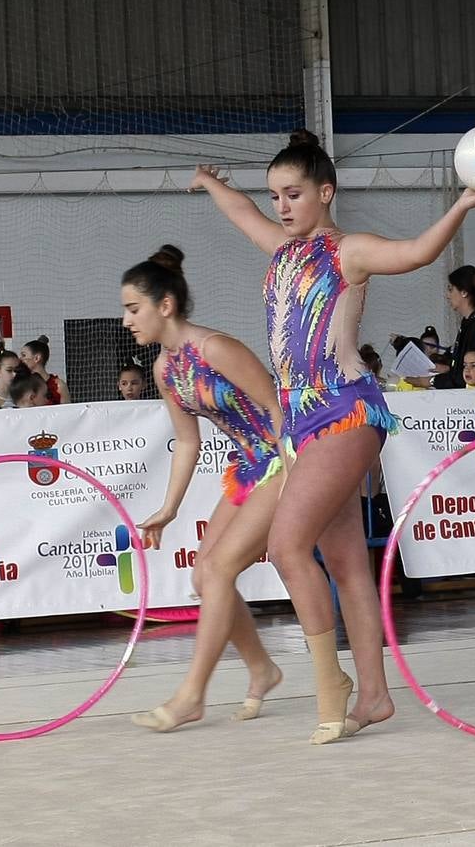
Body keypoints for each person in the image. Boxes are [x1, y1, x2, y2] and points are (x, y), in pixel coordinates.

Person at [188, 129, 475, 743]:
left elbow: (415, 253)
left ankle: (328, 680)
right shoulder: (281, 251)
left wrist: (463, 204)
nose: (281, 207)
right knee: (344, 563)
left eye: (294, 194)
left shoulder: (347, 252)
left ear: (325, 192)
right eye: (275, 196)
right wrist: (211, 185)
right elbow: (241, 214)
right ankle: (376, 696)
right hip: (302, 423)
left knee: (285, 545)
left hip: (345, 411)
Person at [123, 245, 289, 734]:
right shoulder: (164, 371)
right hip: (249, 466)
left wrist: (296, 471)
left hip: (286, 457)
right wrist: (168, 509)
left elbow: (278, 407)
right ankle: (263, 668)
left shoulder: (215, 348)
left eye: (134, 309)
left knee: (216, 570)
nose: (127, 320)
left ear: (165, 306)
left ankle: (191, 695)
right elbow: (187, 441)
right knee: (203, 577)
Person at [20, 336, 70, 405]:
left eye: (24, 355)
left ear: (37, 358)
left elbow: (68, 413)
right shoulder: (21, 385)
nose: (20, 359)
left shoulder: (59, 386)